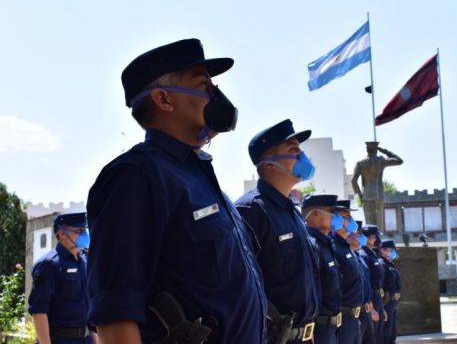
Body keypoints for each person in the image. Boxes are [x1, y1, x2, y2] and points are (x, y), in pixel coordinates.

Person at [86, 39, 267, 344]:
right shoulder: (136, 177)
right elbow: (115, 316)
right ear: (164, 99)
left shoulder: (204, 183)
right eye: (204, 85)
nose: (215, 94)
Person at [235, 119, 320, 343]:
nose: (302, 157)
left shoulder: (292, 211)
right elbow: (242, 289)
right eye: (293, 151)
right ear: (270, 164)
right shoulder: (251, 210)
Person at [28, 212, 97, 344]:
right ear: (62, 233)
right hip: (59, 340)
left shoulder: (85, 262)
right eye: (78, 230)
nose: (84, 235)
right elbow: (39, 312)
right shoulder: (48, 265)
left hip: (85, 339)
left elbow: (89, 306)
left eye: (84, 230)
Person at [301, 194, 343, 344]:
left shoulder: (326, 244)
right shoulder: (311, 245)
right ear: (316, 213)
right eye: (331, 211)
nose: (336, 216)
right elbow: (309, 291)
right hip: (318, 330)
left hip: (332, 328)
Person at [351, 142, 403, 230]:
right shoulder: (380, 161)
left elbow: (353, 181)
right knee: (379, 225)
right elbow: (399, 161)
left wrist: (359, 195)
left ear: (367, 150)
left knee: (369, 225)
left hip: (366, 196)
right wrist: (384, 151)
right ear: (376, 150)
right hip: (378, 195)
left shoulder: (360, 163)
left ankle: (371, 241)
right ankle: (378, 241)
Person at [332, 200, 364, 344]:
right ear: (335, 218)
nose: (351, 220)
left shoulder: (346, 246)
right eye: (346, 216)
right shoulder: (333, 246)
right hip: (341, 318)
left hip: (353, 318)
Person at [348, 220, 375, 344]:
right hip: (352, 312)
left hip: (364, 309)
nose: (361, 238)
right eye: (358, 235)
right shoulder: (347, 254)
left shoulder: (358, 256)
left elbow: (366, 284)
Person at [359, 224, 386, 343]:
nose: (376, 239)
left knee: (378, 335)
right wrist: (371, 308)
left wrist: (381, 307)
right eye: (373, 236)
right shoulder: (363, 255)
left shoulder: (372, 254)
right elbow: (366, 282)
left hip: (377, 299)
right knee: (370, 336)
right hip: (371, 299)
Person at [379, 240, 401, 344]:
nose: (394, 252)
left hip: (392, 305)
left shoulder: (390, 264)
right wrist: (382, 308)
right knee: (385, 337)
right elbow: (380, 288)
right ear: (382, 250)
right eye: (391, 250)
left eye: (394, 250)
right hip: (386, 305)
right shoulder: (382, 264)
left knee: (392, 336)